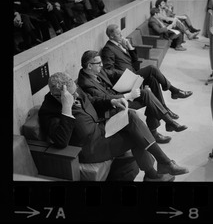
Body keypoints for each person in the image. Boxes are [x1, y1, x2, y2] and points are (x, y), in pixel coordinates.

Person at [39, 72, 189, 181]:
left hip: (100, 129)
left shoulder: (75, 91)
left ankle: (162, 165)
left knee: (130, 115)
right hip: (89, 148)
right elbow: (61, 141)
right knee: (136, 136)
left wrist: (112, 102)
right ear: (57, 95)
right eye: (72, 96)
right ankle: (156, 171)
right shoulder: (48, 111)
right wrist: (66, 107)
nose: (77, 96)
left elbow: (92, 100)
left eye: (75, 92)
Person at [77, 51, 189, 144]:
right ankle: (165, 124)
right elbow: (104, 98)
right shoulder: (85, 82)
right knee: (146, 94)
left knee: (150, 84)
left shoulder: (98, 71)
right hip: (111, 107)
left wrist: (132, 77)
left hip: (117, 94)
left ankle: (166, 124)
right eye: (98, 63)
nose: (101, 65)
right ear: (89, 65)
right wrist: (128, 95)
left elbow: (113, 73)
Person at [101, 24, 193, 119]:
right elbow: (109, 71)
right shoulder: (108, 49)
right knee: (151, 68)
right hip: (124, 80)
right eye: (118, 34)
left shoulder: (121, 45)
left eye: (121, 33)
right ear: (111, 36)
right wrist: (126, 73)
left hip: (132, 76)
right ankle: (173, 90)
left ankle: (164, 110)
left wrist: (130, 47)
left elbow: (135, 62)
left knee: (153, 80)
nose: (121, 36)